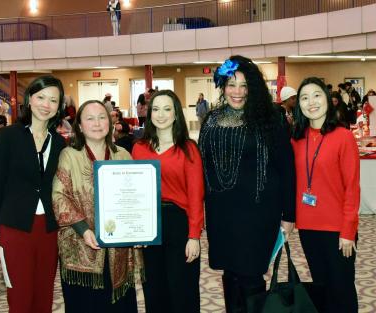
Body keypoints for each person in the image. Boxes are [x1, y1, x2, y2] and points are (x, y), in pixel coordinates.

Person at [198, 55, 295, 312]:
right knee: (229, 275)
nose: (237, 92)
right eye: (231, 85)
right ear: (222, 87)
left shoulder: (271, 118)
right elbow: (201, 165)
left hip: (258, 213)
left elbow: (287, 167)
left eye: (243, 85)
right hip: (222, 213)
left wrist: (289, 214)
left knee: (252, 275)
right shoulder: (211, 120)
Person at [0, 75, 67, 313]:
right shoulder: (9, 136)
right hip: (15, 227)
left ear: (58, 106)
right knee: (20, 296)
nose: (46, 104)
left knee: (44, 295)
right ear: (30, 99)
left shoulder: (60, 143)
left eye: (53, 100)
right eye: (41, 97)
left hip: (49, 229)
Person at [52, 100, 143, 313]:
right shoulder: (69, 155)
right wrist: (83, 230)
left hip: (118, 249)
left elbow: (136, 198)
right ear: (80, 126)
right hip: (81, 246)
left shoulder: (123, 154)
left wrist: (139, 231)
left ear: (110, 123)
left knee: (120, 306)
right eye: (89, 118)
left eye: (102, 117)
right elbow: (59, 197)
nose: (97, 123)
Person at [132, 90, 204, 313]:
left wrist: (194, 236)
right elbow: (133, 193)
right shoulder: (139, 149)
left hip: (178, 223)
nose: (160, 115)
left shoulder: (188, 148)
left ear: (176, 114)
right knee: (154, 288)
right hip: (149, 224)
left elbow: (196, 195)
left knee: (182, 289)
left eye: (167, 109)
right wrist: (135, 230)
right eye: (155, 109)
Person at [292, 77, 359, 313]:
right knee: (321, 288)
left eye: (316, 95)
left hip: (338, 230)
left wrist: (348, 231)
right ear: (298, 104)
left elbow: (352, 187)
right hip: (308, 228)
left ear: (328, 100)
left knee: (341, 289)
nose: (311, 102)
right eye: (304, 97)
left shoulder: (344, 137)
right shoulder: (296, 139)